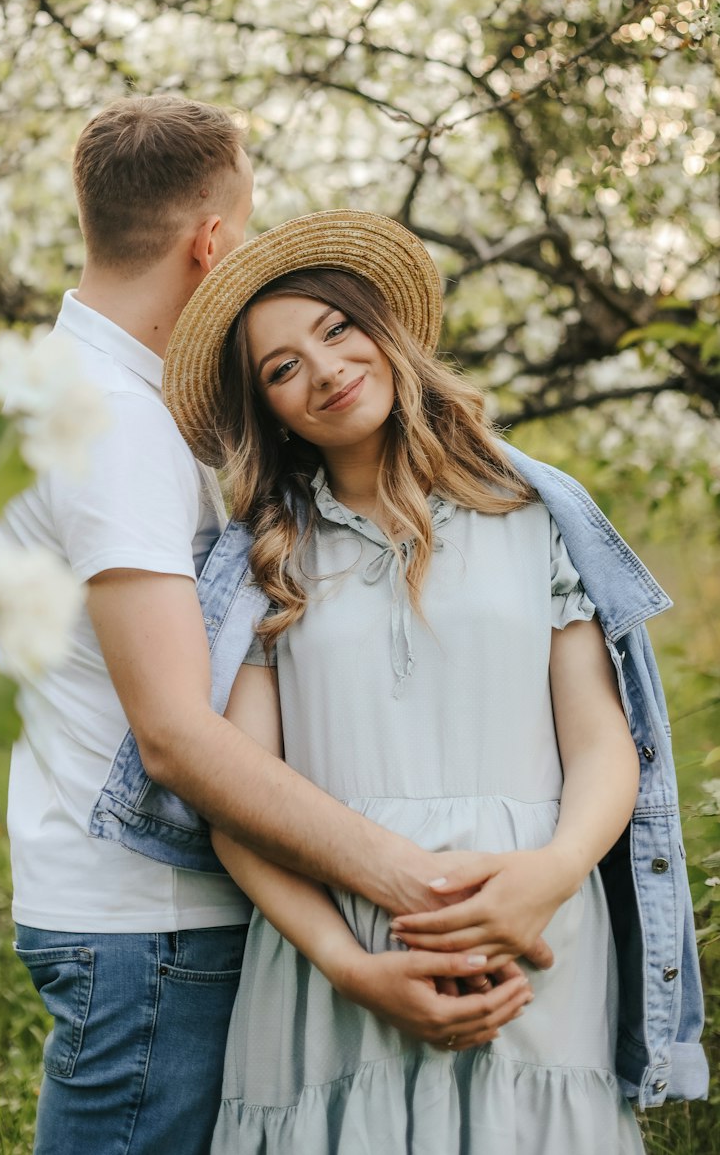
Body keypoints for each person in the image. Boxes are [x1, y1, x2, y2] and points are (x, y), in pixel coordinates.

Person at [0, 102, 531, 1155]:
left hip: (131, 914)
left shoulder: (61, 393)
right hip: (153, 925)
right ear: (211, 242)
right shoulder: (114, 423)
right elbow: (176, 734)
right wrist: (418, 887)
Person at [160, 208, 709, 1152]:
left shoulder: (533, 513)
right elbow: (238, 806)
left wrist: (550, 874)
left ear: (385, 329)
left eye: (336, 330)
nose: (326, 371)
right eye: (283, 368)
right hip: (335, 966)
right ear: (270, 410)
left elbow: (602, 743)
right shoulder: (269, 560)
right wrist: (346, 962)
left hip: (534, 940)